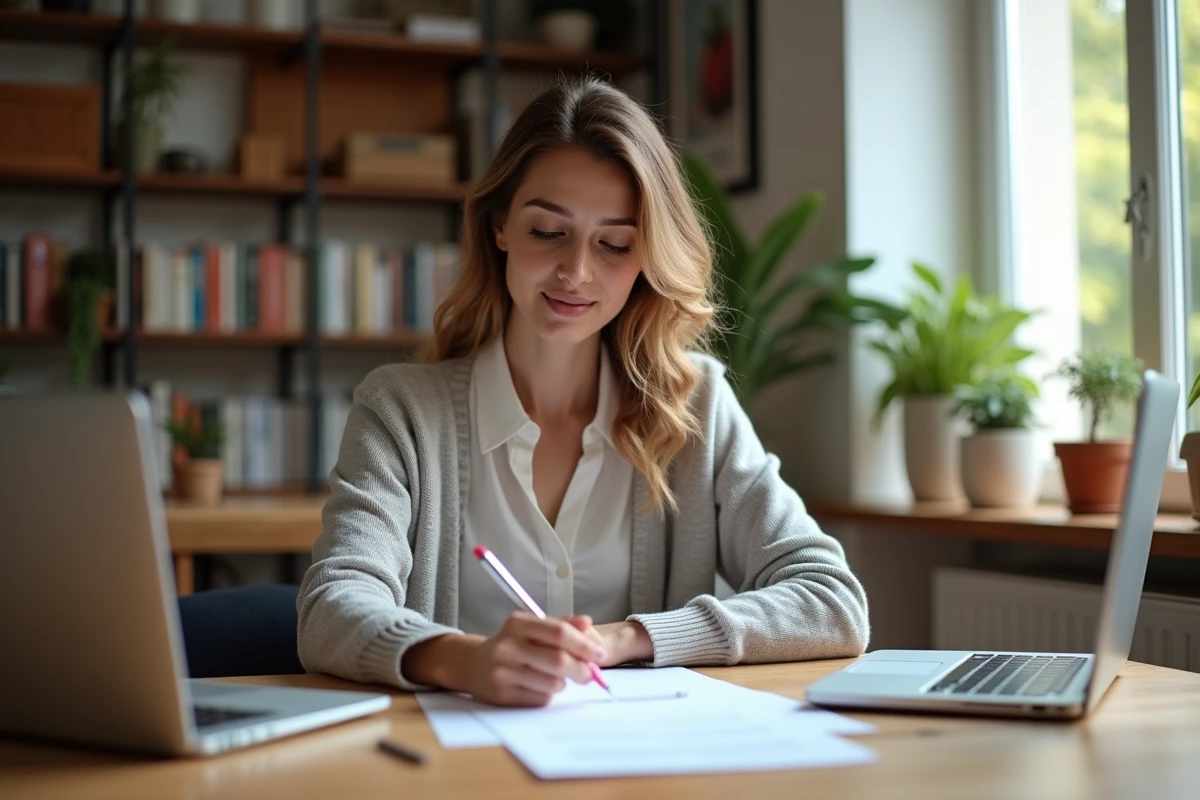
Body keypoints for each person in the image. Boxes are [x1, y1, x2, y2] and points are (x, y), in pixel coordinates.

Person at [297, 75, 869, 708]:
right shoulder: (402, 410)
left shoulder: (696, 405)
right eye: (548, 232)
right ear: (499, 228)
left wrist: (629, 638)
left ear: (646, 256)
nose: (576, 272)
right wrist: (464, 659)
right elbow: (330, 606)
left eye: (615, 244)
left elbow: (831, 599)